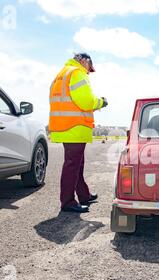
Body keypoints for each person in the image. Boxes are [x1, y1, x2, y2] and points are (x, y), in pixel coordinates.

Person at [49, 53, 108, 213]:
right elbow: (86, 101)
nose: (89, 72)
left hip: (64, 126)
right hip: (74, 126)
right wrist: (101, 102)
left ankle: (84, 195)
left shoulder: (61, 75)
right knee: (72, 165)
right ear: (84, 61)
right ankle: (67, 202)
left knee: (76, 163)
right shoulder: (76, 72)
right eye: (90, 68)